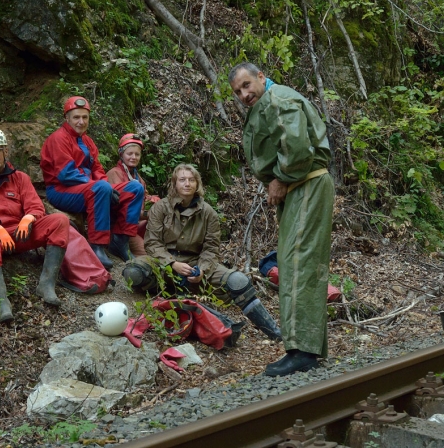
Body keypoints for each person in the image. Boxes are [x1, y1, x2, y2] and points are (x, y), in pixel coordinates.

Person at [229, 62, 334, 376]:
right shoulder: (267, 103)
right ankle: (304, 347)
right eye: (238, 91)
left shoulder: (279, 99)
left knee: (298, 262)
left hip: (306, 183)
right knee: (294, 263)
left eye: (248, 85)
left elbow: (298, 149)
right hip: (299, 186)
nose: (245, 94)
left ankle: (303, 351)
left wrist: (281, 178)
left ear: (261, 77)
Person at [122, 163, 281, 341]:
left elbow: (211, 248)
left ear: (197, 184)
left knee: (238, 281)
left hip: (195, 264)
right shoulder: (160, 208)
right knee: (133, 273)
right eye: (182, 180)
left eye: (191, 180)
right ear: (175, 184)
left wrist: (202, 269)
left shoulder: (208, 213)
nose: (187, 184)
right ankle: (165, 291)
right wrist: (172, 264)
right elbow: (152, 243)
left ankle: (274, 332)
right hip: (162, 262)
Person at [0, 127, 71, 323]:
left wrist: (28, 218)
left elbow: (36, 206)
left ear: (5, 151)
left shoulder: (20, 178)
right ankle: (1, 301)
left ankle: (46, 285)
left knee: (60, 220)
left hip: (21, 236)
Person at [40, 96, 145, 269]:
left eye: (85, 117)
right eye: (76, 117)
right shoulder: (58, 139)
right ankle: (97, 245)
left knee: (135, 188)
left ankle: (120, 240)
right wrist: (101, 186)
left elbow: (97, 169)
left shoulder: (87, 141)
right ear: (67, 118)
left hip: (88, 188)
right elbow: (66, 174)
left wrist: (109, 188)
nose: (81, 122)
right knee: (101, 188)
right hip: (61, 190)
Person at [106, 133, 160, 257]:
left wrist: (154, 203)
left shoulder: (139, 179)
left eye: (137, 154)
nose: (133, 157)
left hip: (135, 225)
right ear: (121, 154)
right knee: (148, 254)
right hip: (119, 229)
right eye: (129, 154)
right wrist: (148, 214)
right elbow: (120, 209)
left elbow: (144, 199)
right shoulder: (114, 174)